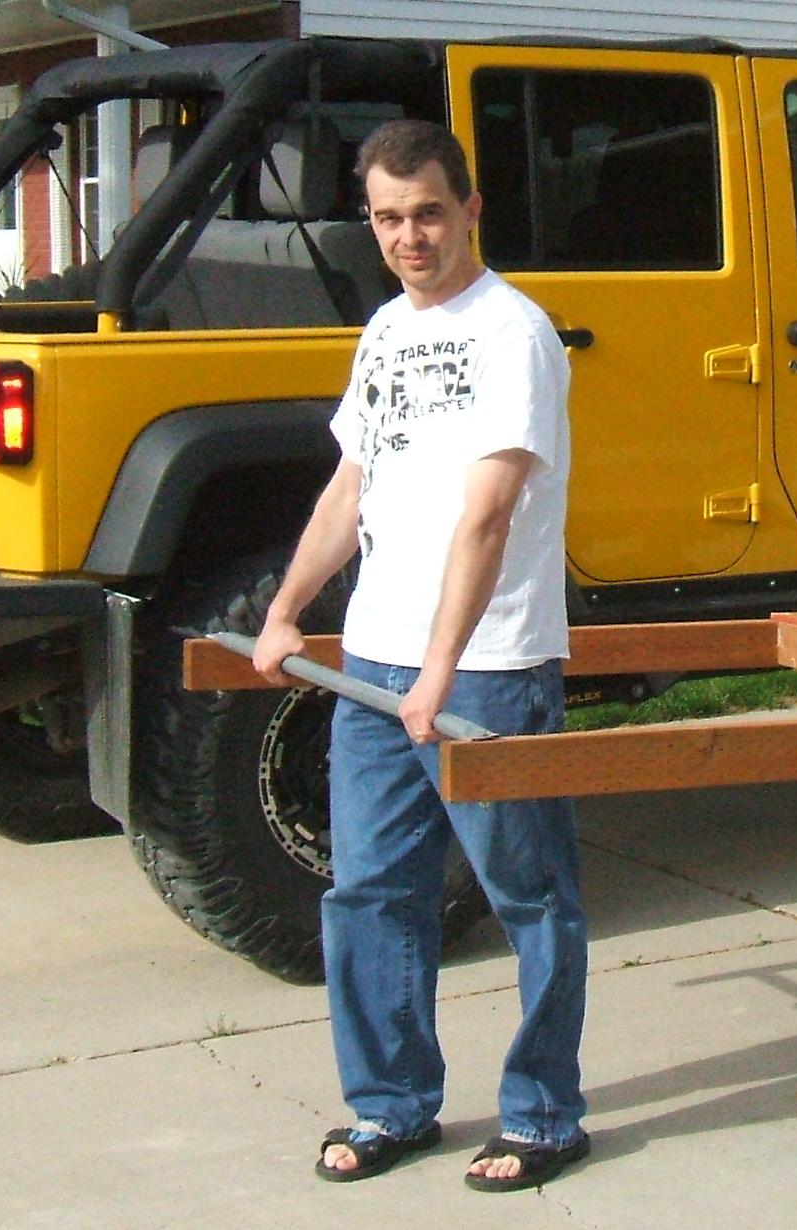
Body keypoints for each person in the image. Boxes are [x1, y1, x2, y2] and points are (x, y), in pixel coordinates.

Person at [251, 118, 589, 1193]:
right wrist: (287, 610)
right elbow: (353, 488)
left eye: (429, 213)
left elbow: (487, 514)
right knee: (371, 897)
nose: (410, 236)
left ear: (471, 209)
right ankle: (392, 1106)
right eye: (389, 218)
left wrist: (441, 670)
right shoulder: (387, 331)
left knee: (530, 896)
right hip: (370, 667)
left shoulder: (514, 333)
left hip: (485, 667)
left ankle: (543, 1115)